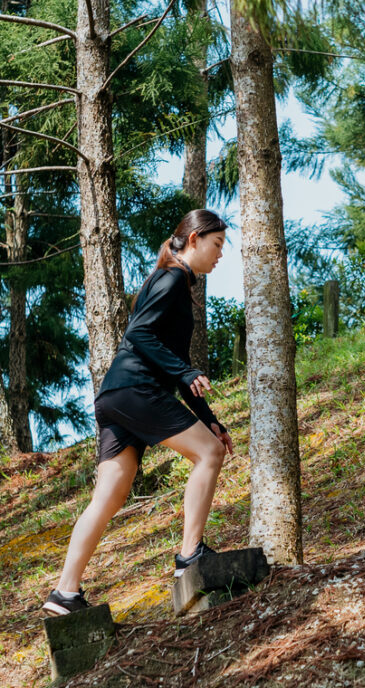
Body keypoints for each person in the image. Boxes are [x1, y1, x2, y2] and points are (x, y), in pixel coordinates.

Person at [44, 209, 237, 615]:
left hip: (114, 397)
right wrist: (185, 372)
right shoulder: (171, 279)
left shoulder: (172, 281)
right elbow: (139, 335)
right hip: (136, 390)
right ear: (196, 239)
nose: (221, 255)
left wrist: (209, 418)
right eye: (217, 245)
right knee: (209, 454)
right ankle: (190, 556)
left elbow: (176, 362)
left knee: (108, 496)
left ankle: (65, 592)